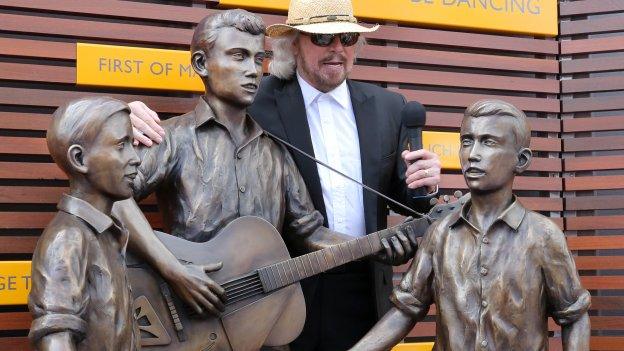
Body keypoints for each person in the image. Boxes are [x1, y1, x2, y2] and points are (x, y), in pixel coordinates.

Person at [129, 1, 442, 348]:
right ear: (294, 43)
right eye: (322, 38)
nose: (337, 47)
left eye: (348, 37)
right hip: (248, 299)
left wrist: (411, 207)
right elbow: (106, 189)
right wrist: (118, 117)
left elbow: (312, 226)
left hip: (339, 291)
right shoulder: (250, 106)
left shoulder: (384, 109)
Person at [350, 99, 591, 351]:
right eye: (467, 141)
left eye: (488, 142)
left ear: (521, 160)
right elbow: (406, 309)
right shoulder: (440, 234)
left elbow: (574, 316)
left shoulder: (543, 236)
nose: (472, 154)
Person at [28, 97, 141, 350]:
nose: (136, 158)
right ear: (79, 158)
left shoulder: (107, 234)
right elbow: (56, 340)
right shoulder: (67, 239)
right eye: (121, 145)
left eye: (132, 144)